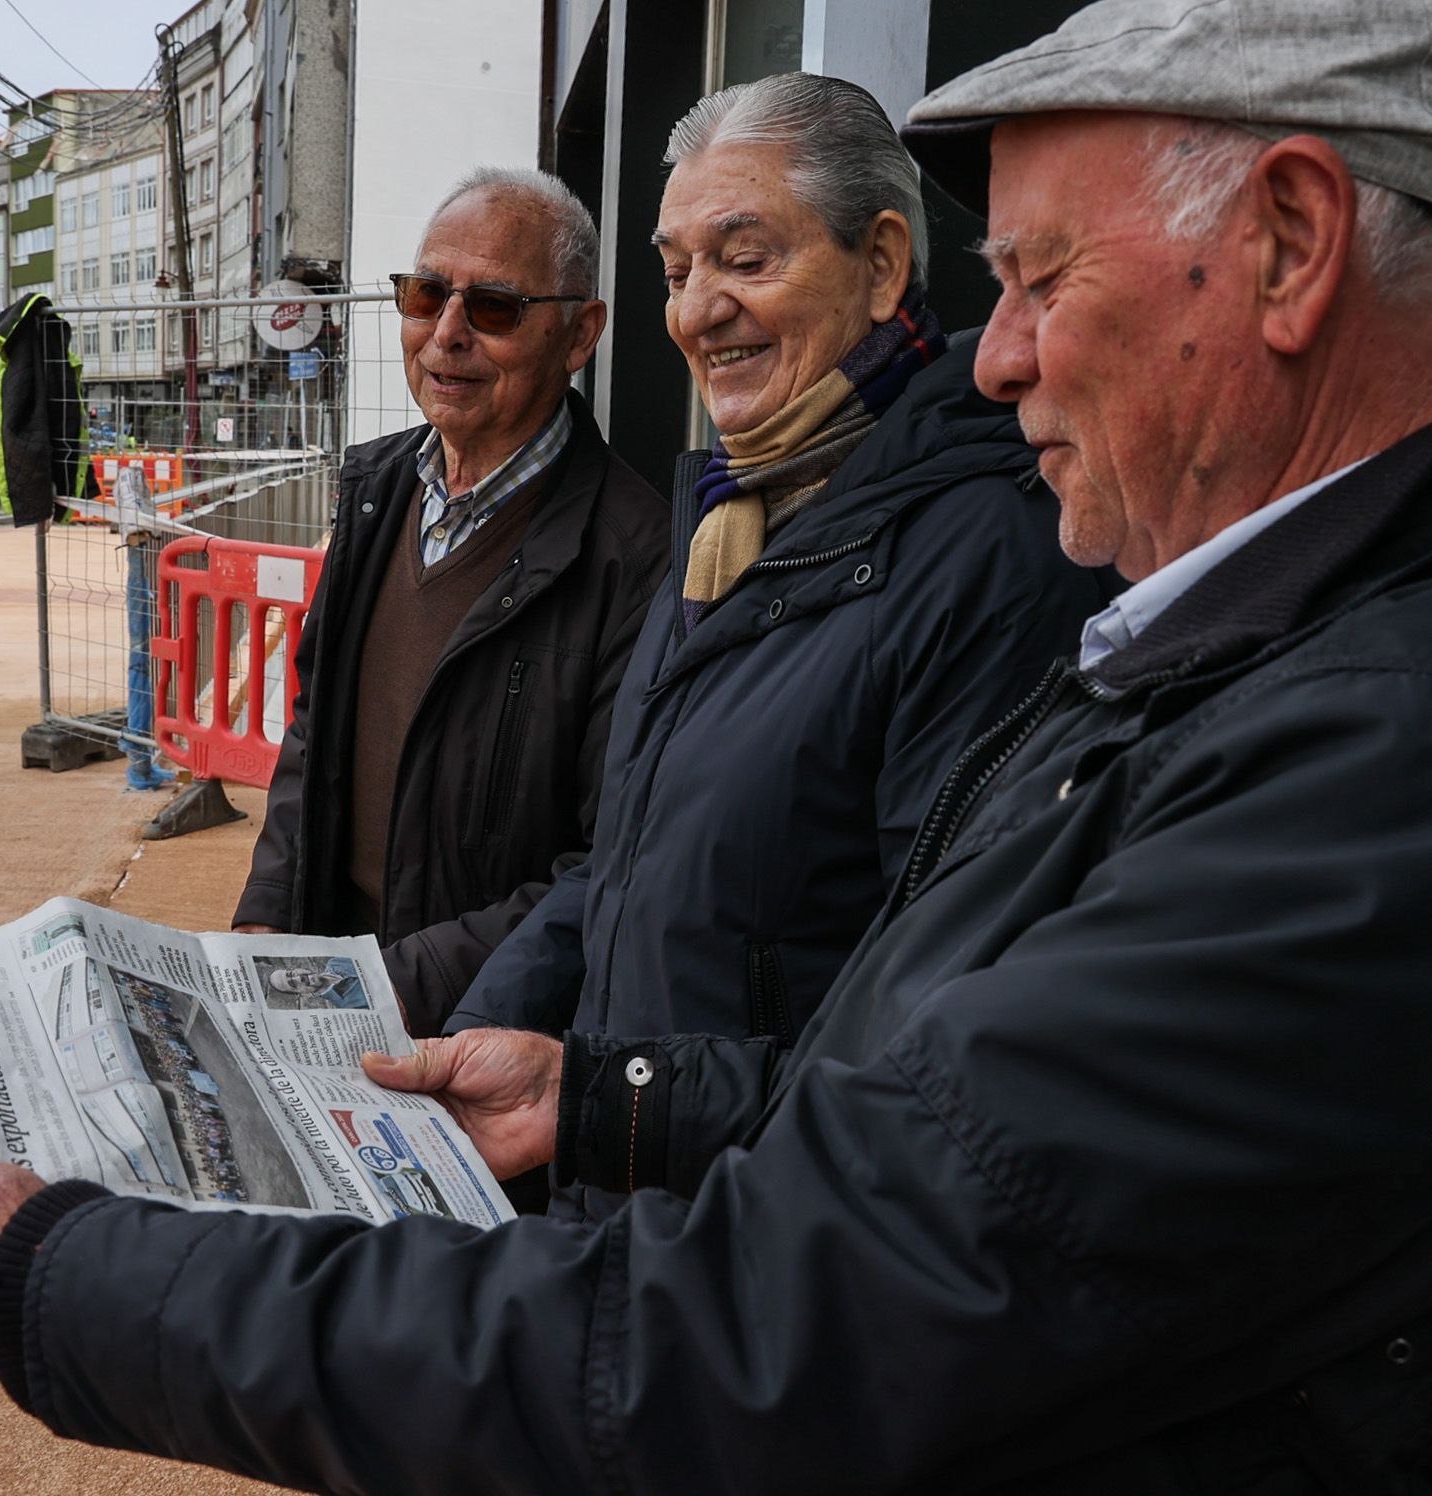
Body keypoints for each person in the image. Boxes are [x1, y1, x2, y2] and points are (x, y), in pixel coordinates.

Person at [0, 5, 1432, 1489]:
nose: (1000, 350)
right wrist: (613, 1096)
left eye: (1043, 276)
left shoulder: (1406, 764)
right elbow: (943, 1109)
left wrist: (42, 1276)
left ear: (1295, 246)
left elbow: (785, 1322)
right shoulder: (1244, 656)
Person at [445, 75, 1106, 1122]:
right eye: (676, 269)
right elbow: (627, 869)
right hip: (646, 1191)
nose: (697, 310)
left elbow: (933, 1032)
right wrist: (477, 1030)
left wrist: (618, 1115)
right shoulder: (728, 522)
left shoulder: (995, 554)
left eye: (746, 259)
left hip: (764, 1233)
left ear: (883, 264)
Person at [230, 168, 667, 1035]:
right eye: (427, 294)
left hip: (480, 1029)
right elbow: (316, 728)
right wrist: (268, 909)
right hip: (329, 985)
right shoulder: (378, 489)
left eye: (495, 307)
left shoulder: (639, 556)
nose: (447, 335)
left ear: (579, 336)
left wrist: (403, 987)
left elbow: (608, 862)